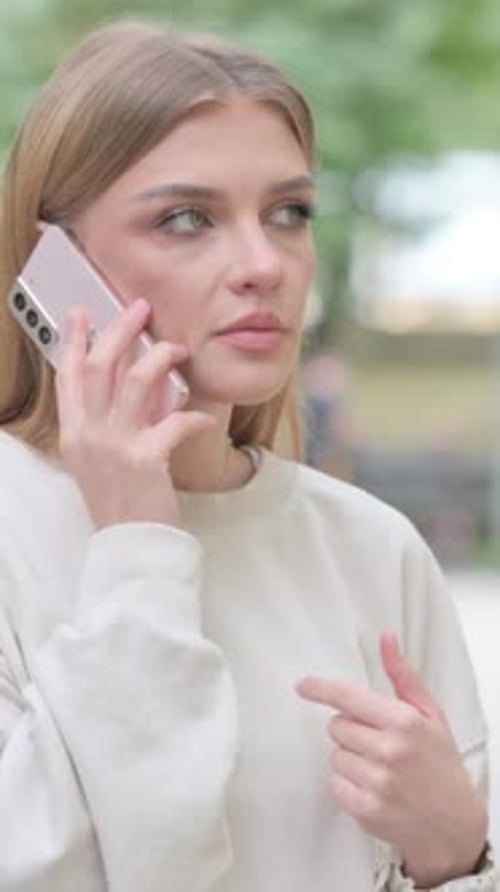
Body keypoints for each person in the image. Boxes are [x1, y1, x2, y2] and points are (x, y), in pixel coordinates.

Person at [0, 18, 496, 892]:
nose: (264, 263)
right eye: (187, 218)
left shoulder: (372, 546)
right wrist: (137, 548)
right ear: (56, 261)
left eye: (288, 213)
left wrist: (456, 854)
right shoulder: (16, 529)